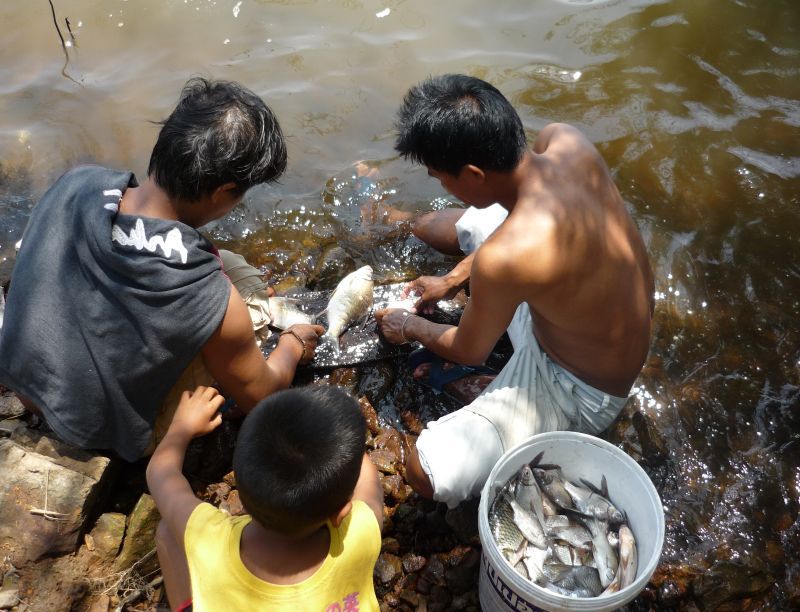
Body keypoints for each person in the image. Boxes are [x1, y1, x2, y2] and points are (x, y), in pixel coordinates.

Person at [0, 77, 324, 461]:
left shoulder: (77, 181)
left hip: (26, 386)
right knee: (245, 296)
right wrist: (293, 343)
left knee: (227, 265)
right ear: (224, 191)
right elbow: (265, 399)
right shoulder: (208, 293)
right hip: (99, 429)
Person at [375, 74, 654, 508]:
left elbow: (467, 349)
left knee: (424, 470)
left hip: (579, 389)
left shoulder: (506, 258)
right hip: (594, 332)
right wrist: (453, 279)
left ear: (472, 173)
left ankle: (505, 391)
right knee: (475, 224)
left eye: (440, 178)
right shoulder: (566, 141)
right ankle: (397, 219)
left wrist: (408, 325)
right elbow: (520, 240)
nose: (441, 185)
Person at [146, 384, 383, 611]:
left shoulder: (208, 538)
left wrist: (181, 427)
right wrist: (339, 443)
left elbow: (159, 473)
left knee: (168, 530)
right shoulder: (359, 535)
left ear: (239, 482)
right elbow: (369, 483)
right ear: (341, 513)